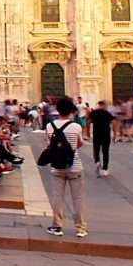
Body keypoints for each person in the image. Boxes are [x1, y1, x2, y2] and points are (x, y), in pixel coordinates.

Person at [45, 96, 87, 238]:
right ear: (71, 111)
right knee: (78, 198)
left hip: (57, 167)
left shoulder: (50, 126)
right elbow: (79, 144)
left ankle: (57, 226)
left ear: (57, 110)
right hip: (74, 166)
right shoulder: (76, 127)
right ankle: (80, 228)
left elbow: (50, 144)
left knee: (58, 197)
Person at [89, 100, 114, 177]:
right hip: (106, 134)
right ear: (104, 105)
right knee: (105, 151)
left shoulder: (93, 113)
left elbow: (89, 121)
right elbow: (113, 122)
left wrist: (87, 132)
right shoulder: (107, 113)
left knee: (96, 149)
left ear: (98, 105)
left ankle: (97, 161)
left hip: (96, 134)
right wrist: (116, 133)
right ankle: (105, 169)